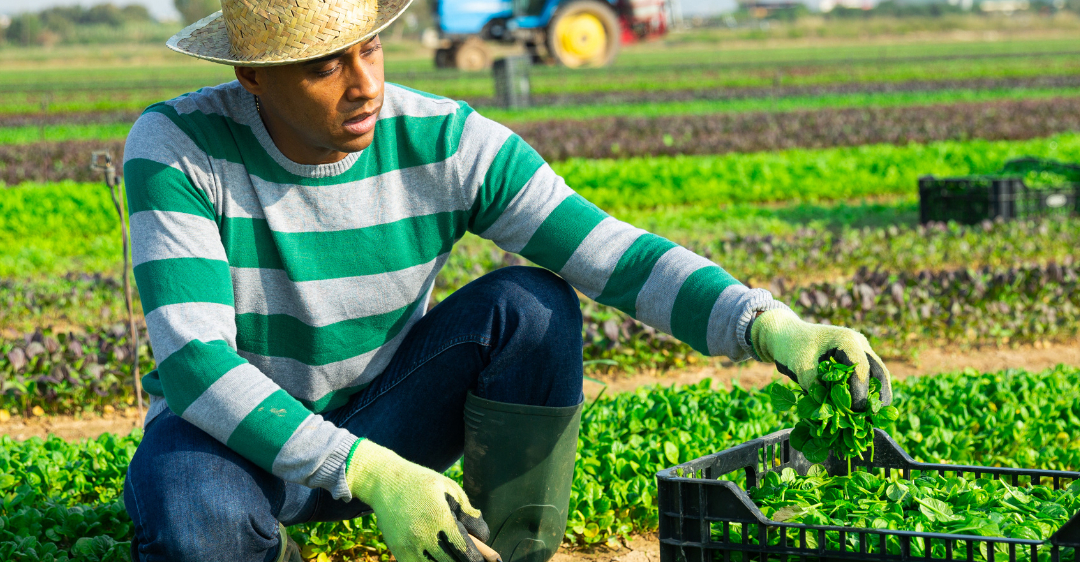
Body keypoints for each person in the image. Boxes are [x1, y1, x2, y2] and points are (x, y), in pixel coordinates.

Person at [121, 0, 893, 560]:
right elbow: (195, 363)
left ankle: (504, 551)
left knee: (532, 304)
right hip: (233, 445)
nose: (363, 86)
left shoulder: (447, 142)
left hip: (382, 417)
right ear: (253, 74)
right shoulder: (181, 146)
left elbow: (612, 255)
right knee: (193, 517)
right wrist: (374, 475)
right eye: (326, 66)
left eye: (371, 50)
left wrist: (769, 325)